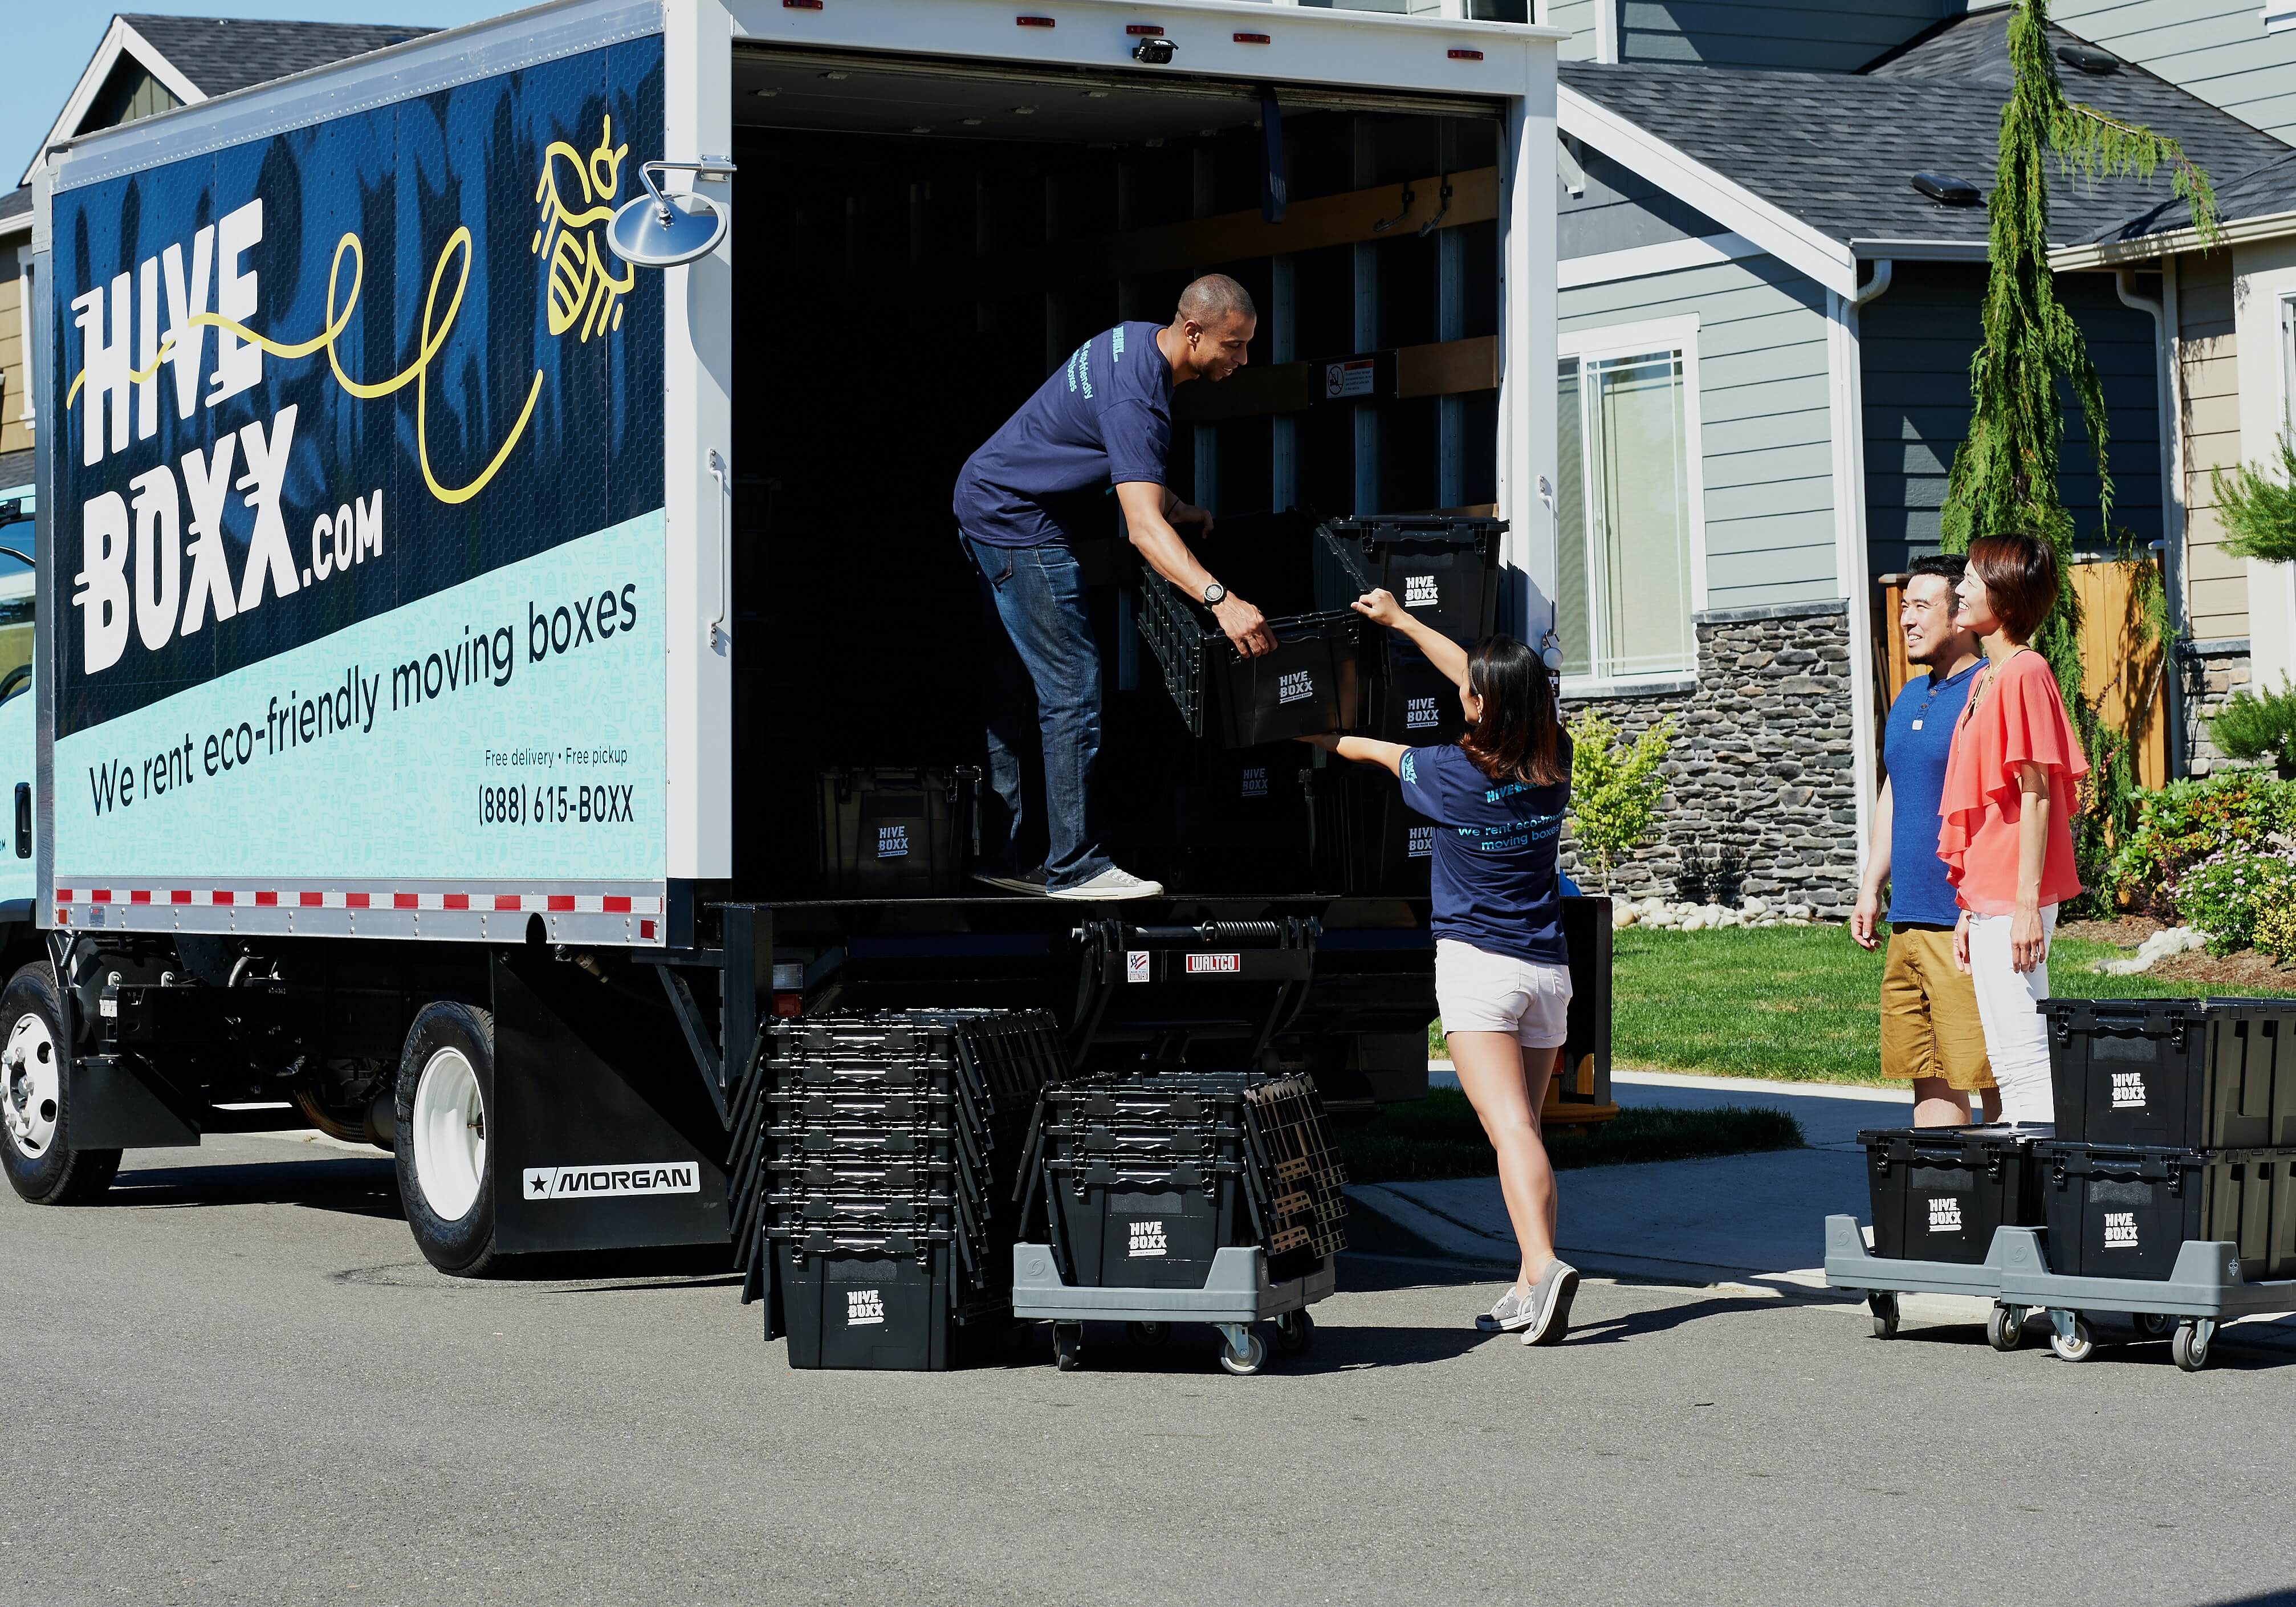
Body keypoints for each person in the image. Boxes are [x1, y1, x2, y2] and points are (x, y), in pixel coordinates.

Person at [1301, 591, 1580, 1345]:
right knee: (1522, 1131)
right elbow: (1487, 682)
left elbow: (1374, 750)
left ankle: (1546, 1263)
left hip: (1480, 971)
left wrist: (1322, 732)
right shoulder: (1556, 755)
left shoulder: (1449, 773)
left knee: (1511, 1127)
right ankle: (1528, 1285)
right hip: (1547, 972)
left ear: (1479, 705)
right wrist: (1403, 620)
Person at [951, 275, 1277, 901]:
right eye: (1233, 346)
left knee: (1018, 683)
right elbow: (1142, 533)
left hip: (985, 496)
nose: (1241, 360)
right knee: (1071, 685)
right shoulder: (1141, 401)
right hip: (1013, 520)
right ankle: (1074, 866)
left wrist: (1171, 500)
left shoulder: (1129, 343)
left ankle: (1009, 856)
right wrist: (1222, 601)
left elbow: (1096, 441)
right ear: (1191, 333)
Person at [1939, 531, 2089, 1129]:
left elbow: (2036, 791)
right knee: (2003, 1053)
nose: (1959, 587)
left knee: (2024, 1051)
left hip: (2015, 894)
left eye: (1972, 579)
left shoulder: (2024, 670)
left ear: (2001, 597)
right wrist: (1967, 907)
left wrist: (2026, 904)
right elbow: (1984, 803)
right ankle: (2016, 1190)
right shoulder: (1984, 678)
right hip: (1990, 895)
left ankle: (2040, 1192)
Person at [1852, 554, 1998, 1126]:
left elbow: (2001, 808)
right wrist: (1871, 883)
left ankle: (2011, 1203)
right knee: (1929, 1070)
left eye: (1921, 606)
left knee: (1990, 1073)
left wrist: (1975, 904)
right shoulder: (1910, 696)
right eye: (1903, 606)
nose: (1905, 619)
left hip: (1962, 923)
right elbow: (1896, 790)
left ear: (1959, 614)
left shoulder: (1987, 692)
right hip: (1908, 918)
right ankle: (1947, 1202)